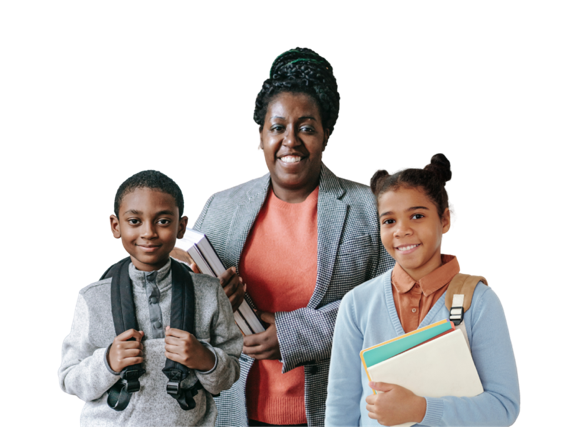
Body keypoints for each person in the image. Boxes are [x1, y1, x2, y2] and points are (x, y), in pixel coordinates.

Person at [171, 47, 395, 427]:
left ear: (325, 136)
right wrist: (204, 296)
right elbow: (181, 302)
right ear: (260, 137)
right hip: (233, 411)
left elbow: (393, 302)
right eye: (277, 128)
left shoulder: (367, 207)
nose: (290, 140)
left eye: (306, 127)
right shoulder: (222, 206)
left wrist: (296, 335)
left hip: (336, 410)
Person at [324, 154, 520, 426]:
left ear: (445, 220)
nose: (402, 230)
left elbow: (504, 407)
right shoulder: (357, 304)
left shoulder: (480, 302)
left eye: (417, 216)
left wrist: (422, 409)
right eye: (389, 221)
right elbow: (340, 408)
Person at [58, 169, 243, 427]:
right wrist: (107, 361)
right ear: (115, 225)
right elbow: (69, 379)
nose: (149, 233)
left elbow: (230, 373)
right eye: (135, 221)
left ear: (181, 226)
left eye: (163, 221)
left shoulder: (210, 292)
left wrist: (205, 358)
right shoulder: (92, 298)